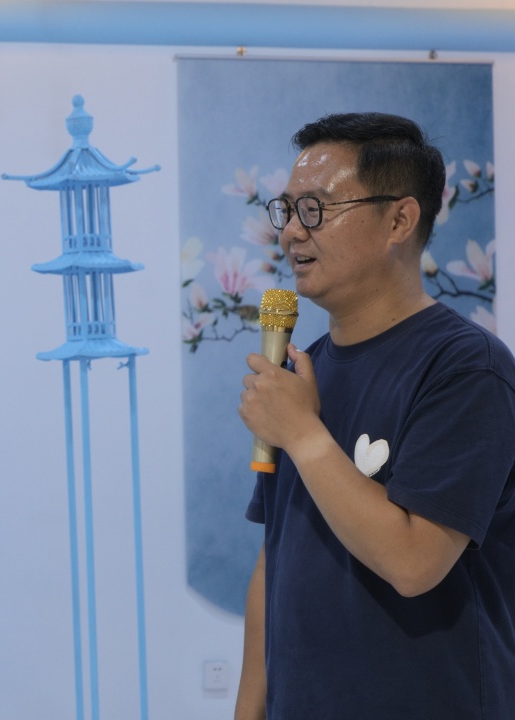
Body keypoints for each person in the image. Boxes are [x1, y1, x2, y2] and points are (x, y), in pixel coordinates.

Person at [234, 113, 515, 719]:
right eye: (287, 210)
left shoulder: (467, 367)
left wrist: (303, 433)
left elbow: (414, 563)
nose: (291, 233)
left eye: (316, 209)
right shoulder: (300, 371)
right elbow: (273, 561)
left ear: (399, 220)